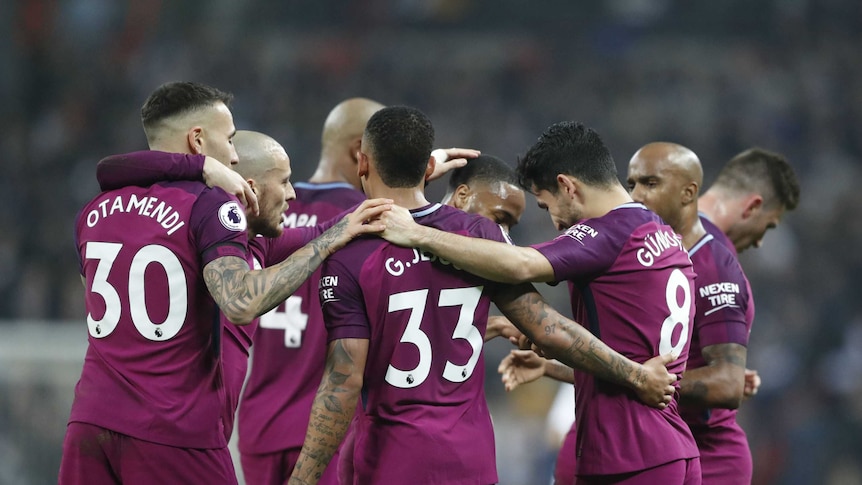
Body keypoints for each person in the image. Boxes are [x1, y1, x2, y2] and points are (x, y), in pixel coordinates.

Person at [288, 108, 680, 485]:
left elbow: (343, 381)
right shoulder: (480, 238)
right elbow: (549, 328)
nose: (506, 231)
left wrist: (302, 480)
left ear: (362, 163)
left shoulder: (352, 249)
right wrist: (635, 373)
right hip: (470, 461)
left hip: (391, 459)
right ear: (431, 172)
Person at [59, 82, 391, 485]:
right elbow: (240, 302)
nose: (232, 156)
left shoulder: (95, 209)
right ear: (198, 140)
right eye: (229, 139)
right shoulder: (210, 207)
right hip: (175, 428)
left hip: (89, 422)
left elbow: (90, 291)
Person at [237, 97, 383, 485]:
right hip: (328, 428)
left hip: (258, 423)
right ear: (361, 153)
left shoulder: (266, 211)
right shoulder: (366, 218)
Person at [627, 142, 755, 484]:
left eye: (650, 184)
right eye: (632, 184)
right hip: (658, 447)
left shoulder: (712, 265)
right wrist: (555, 365)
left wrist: (634, 378)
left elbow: (727, 383)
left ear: (688, 192)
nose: (636, 195)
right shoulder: (648, 257)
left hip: (709, 455)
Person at [698, 148, 801, 397]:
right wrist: (726, 377)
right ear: (753, 207)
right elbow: (725, 385)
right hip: (696, 434)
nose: (759, 242)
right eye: (768, 226)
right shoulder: (715, 259)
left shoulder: (657, 233)